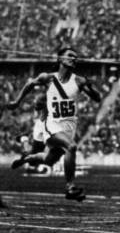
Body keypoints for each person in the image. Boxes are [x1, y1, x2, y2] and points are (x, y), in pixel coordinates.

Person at [6, 47, 101, 201]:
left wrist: (90, 86)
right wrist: (17, 102)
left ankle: (26, 157)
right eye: (70, 56)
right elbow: (30, 84)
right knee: (71, 146)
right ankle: (70, 187)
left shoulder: (79, 80)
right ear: (60, 59)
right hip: (52, 125)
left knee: (49, 160)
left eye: (75, 57)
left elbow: (97, 98)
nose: (73, 58)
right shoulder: (48, 78)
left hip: (69, 127)